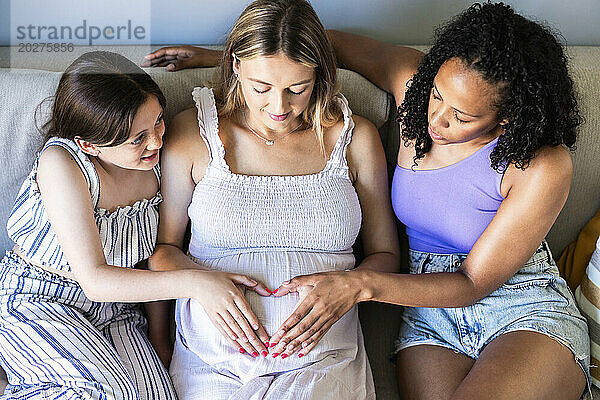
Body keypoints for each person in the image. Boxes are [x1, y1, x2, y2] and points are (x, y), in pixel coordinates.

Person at [144, 2, 590, 399]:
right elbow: (324, 45)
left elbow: (473, 283)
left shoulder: (542, 165)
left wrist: (358, 284)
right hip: (426, 310)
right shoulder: (414, 90)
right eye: (436, 94)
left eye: (462, 116)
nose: (434, 118)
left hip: (515, 297)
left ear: (507, 119)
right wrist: (221, 60)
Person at [146, 0, 400, 399]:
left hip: (322, 362)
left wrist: (350, 285)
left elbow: (386, 253)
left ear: (319, 75)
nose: (279, 107)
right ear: (235, 68)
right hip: (214, 363)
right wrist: (201, 284)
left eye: (297, 89)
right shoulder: (192, 133)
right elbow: (162, 251)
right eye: (260, 88)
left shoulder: (356, 139)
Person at [0, 51, 256, 400]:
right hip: (39, 298)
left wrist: (160, 339)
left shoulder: (156, 164)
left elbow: (154, 257)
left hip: (118, 310)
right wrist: (198, 283)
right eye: (138, 138)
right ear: (89, 144)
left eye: (158, 122)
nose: (156, 141)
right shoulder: (63, 163)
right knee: (106, 393)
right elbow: (95, 280)